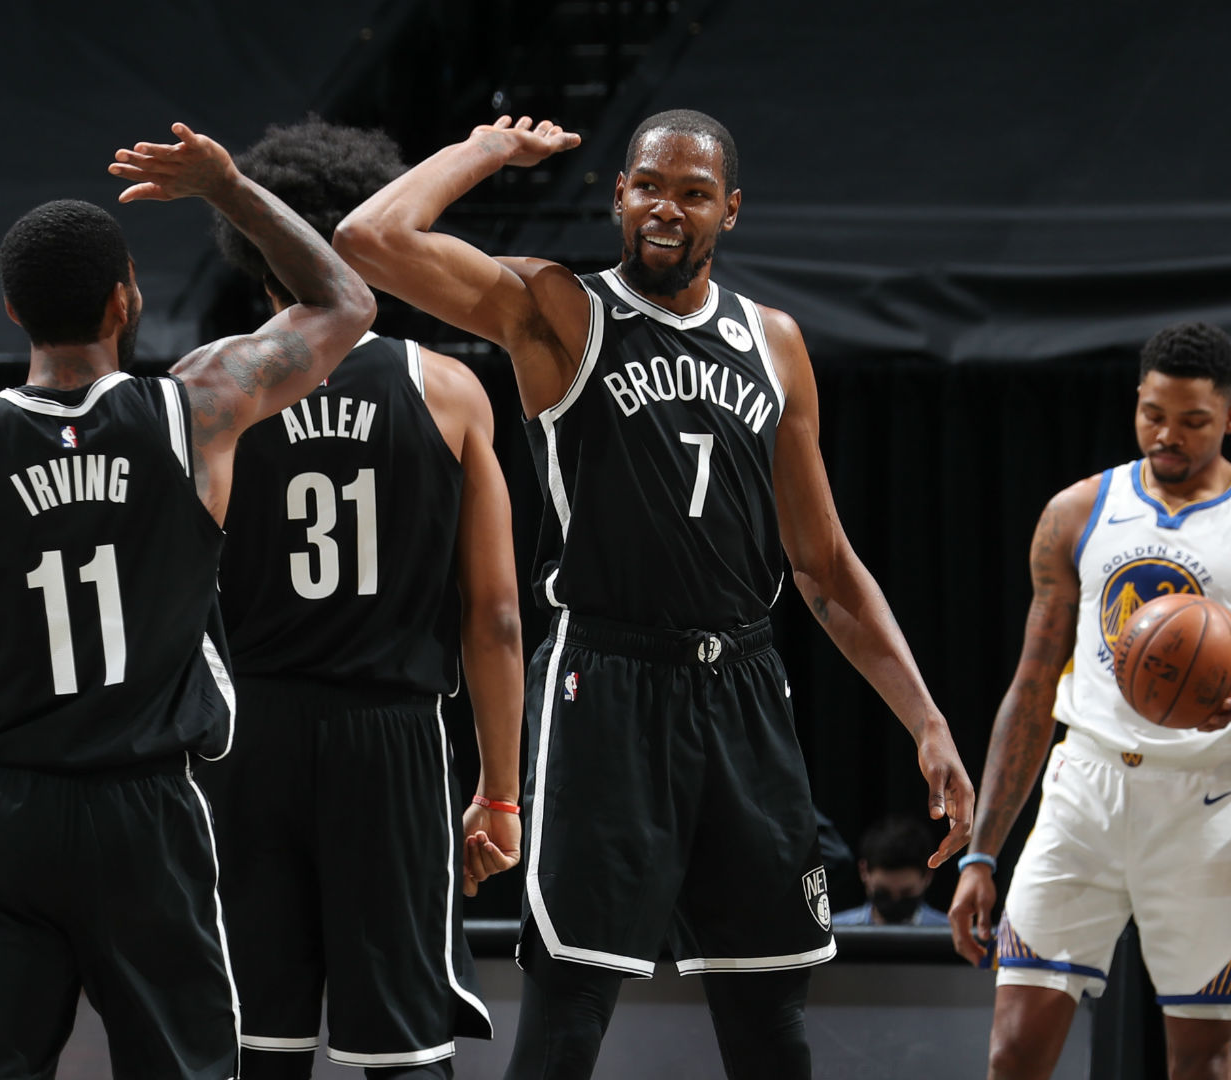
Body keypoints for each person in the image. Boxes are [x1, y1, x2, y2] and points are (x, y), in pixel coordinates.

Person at [334, 110, 975, 1079]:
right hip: (607, 678)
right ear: (618, 195)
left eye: (692, 191)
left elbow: (825, 566)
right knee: (570, 1001)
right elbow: (368, 241)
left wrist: (925, 719)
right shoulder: (560, 309)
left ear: (731, 210)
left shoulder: (776, 341)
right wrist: (488, 152)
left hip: (744, 687)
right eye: (645, 185)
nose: (665, 208)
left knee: (769, 1013)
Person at [0, 123, 374, 1079]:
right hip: (145, 811)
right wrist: (227, 187)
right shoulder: (196, 409)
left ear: (10, 309)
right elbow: (345, 300)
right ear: (127, 296)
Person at [195, 117, 522, 1078]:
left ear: (254, 256)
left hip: (248, 737)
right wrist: (500, 793)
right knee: (405, 1050)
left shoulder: (209, 393)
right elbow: (496, 618)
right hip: (391, 738)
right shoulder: (452, 391)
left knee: (260, 1046)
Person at [949, 322, 1231, 1080]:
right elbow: (1034, 685)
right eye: (1152, 414)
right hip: (1086, 790)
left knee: (1203, 1064)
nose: (1167, 435)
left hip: (1207, 806)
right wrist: (982, 851)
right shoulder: (1077, 512)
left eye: (1193, 421)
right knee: (1013, 1052)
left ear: (1228, 417)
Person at [830, 814, 948, 927]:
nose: (895, 901)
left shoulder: (953, 936)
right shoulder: (832, 935)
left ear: (927, 876)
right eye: (883, 892)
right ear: (864, 872)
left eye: (906, 893)